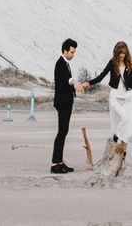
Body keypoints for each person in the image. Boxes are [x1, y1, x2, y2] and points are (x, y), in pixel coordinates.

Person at [87, 41, 132, 161]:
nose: (122, 55)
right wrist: (88, 83)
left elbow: (131, 84)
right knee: (125, 118)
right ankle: (115, 136)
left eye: (124, 53)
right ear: (116, 53)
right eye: (120, 53)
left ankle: (123, 153)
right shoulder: (112, 63)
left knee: (130, 122)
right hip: (115, 96)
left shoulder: (129, 65)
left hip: (126, 96)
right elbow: (101, 76)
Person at [49, 37, 80, 173]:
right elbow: (67, 78)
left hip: (66, 102)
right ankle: (55, 163)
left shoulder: (65, 63)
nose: (73, 55)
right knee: (62, 132)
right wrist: (76, 83)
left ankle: (60, 161)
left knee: (64, 131)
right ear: (65, 51)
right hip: (63, 102)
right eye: (71, 52)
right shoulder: (60, 63)